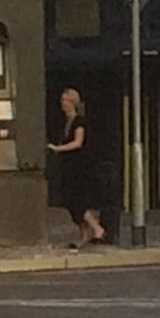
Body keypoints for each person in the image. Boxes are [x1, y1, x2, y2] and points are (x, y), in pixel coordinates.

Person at [48, 88, 106, 247]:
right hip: (68, 167)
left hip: (79, 168)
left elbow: (78, 142)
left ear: (72, 102)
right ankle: (84, 235)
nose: (62, 104)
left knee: (78, 201)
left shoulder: (79, 121)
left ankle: (97, 228)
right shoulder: (66, 121)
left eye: (64, 101)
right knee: (70, 202)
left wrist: (58, 149)